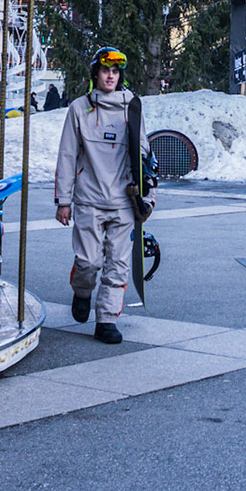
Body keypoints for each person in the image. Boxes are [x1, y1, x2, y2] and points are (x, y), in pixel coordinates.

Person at [54, 46, 152, 344]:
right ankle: (82, 291)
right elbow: (67, 155)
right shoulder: (79, 109)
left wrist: (148, 194)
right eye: (105, 70)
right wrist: (63, 201)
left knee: (117, 265)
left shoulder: (132, 106)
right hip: (88, 199)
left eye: (115, 71)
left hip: (124, 200)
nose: (111, 75)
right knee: (89, 262)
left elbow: (144, 154)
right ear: (95, 73)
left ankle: (106, 320)